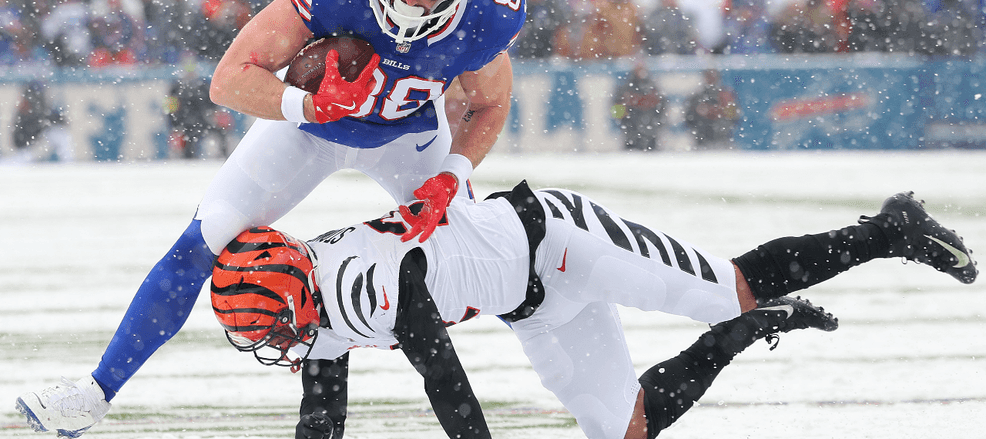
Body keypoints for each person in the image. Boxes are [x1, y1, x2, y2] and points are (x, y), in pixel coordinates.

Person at [15, 0, 524, 436]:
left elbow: (491, 103)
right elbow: (228, 79)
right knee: (199, 243)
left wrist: (453, 174)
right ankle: (94, 393)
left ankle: (548, 336)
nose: (405, 0)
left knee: (486, 259)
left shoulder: (487, 12)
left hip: (410, 136)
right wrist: (308, 103)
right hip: (309, 128)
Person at [209, 183, 972, 439]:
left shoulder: (356, 280)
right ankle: (744, 334)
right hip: (530, 305)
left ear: (295, 290)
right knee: (626, 426)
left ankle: (889, 228)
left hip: (558, 239)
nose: (280, 343)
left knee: (726, 283)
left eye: (272, 326)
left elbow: (441, 373)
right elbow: (320, 417)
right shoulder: (319, 297)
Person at [612, 58, 665, 151]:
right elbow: (616, 110)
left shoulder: (653, 88)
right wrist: (624, 121)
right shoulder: (626, 88)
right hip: (631, 132)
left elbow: (662, 107)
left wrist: (658, 123)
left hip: (650, 133)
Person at [684, 69, 740, 148]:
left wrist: (721, 112)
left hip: (723, 141)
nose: (711, 79)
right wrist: (700, 115)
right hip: (702, 142)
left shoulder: (725, 96)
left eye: (713, 76)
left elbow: (735, 116)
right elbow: (688, 119)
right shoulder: (697, 97)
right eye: (708, 76)